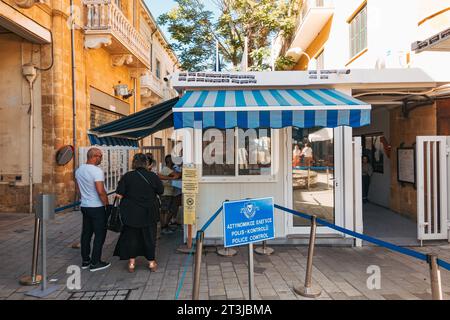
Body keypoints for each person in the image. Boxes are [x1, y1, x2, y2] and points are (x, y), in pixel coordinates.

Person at [113, 153, 164, 273]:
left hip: (131, 213)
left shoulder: (127, 176)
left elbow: (119, 194)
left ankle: (131, 263)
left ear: (134, 163)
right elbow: (160, 191)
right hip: (149, 212)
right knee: (149, 237)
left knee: (132, 237)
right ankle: (151, 263)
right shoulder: (152, 176)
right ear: (146, 163)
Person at [75, 147, 111, 272]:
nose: (101, 159)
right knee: (100, 234)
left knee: (86, 234)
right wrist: (106, 205)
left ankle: (85, 261)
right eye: (100, 156)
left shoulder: (79, 170)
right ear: (95, 156)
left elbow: (78, 190)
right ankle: (95, 262)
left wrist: (85, 199)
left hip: (85, 206)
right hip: (97, 207)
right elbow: (101, 191)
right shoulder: (96, 171)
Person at [158, 155, 180, 234]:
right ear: (170, 161)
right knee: (164, 211)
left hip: (168, 192)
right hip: (165, 193)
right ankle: (163, 227)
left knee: (167, 210)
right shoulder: (167, 169)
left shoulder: (168, 169)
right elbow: (177, 175)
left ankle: (165, 226)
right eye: (173, 160)